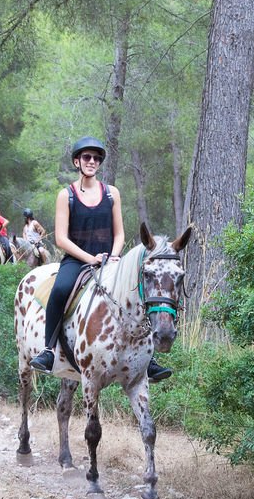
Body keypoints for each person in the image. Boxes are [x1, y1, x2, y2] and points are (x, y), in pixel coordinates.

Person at [28, 137, 172, 383]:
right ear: (77, 162)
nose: (92, 161)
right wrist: (90, 258)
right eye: (87, 157)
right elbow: (61, 238)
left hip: (110, 259)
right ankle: (49, 350)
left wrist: (115, 255)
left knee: (138, 293)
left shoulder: (111, 193)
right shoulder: (67, 195)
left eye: (96, 158)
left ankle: (149, 359)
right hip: (77, 259)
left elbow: (120, 233)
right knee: (60, 289)